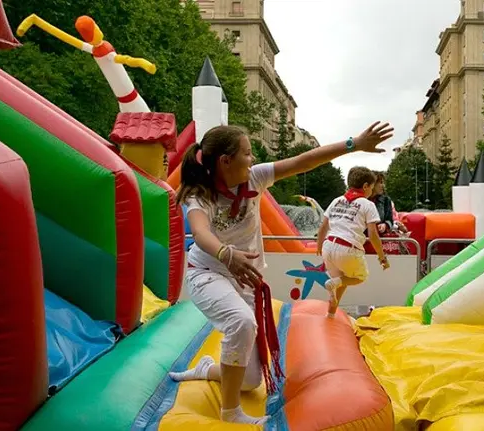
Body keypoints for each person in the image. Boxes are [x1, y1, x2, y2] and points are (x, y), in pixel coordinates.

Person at [168, 122, 393, 424]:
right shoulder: (200, 194)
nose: (252, 158)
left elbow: (304, 162)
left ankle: (208, 368)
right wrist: (226, 253)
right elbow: (200, 231)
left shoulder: (254, 178)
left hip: (245, 279)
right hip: (208, 272)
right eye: (246, 153)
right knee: (241, 322)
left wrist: (353, 144)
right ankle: (230, 412)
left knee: (248, 380)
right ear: (225, 160)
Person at [317, 167, 389, 318]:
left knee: (340, 281)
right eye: (371, 186)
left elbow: (323, 226)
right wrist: (382, 257)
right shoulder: (367, 204)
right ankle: (333, 288)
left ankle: (330, 313)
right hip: (348, 247)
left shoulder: (337, 200)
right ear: (365, 186)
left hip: (328, 246)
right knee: (359, 277)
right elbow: (373, 234)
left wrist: (318, 246)